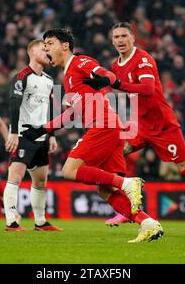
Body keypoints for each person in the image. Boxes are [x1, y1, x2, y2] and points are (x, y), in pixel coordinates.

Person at [84, 22, 185, 235]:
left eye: (124, 36)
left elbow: (147, 89)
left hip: (162, 125)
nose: (120, 40)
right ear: (112, 41)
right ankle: (129, 208)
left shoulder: (143, 59)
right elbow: (122, 91)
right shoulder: (116, 65)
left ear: (133, 38)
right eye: (116, 37)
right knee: (116, 155)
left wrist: (117, 85)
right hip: (140, 123)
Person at [22, 29, 163, 243]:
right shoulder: (68, 77)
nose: (46, 48)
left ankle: (127, 183)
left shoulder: (79, 62)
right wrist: (43, 129)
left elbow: (108, 75)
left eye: (49, 43)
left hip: (103, 126)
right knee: (105, 190)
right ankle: (148, 224)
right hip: (109, 128)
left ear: (65, 46)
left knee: (69, 170)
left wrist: (103, 80)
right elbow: (69, 114)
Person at [3, 39, 62, 231]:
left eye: (47, 48)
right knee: (16, 176)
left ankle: (40, 221)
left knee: (41, 180)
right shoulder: (22, 76)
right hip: (23, 135)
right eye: (42, 48)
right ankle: (11, 221)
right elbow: (13, 102)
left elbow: (51, 109)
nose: (46, 51)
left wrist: (51, 135)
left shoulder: (48, 80)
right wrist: (13, 132)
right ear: (31, 52)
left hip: (42, 137)